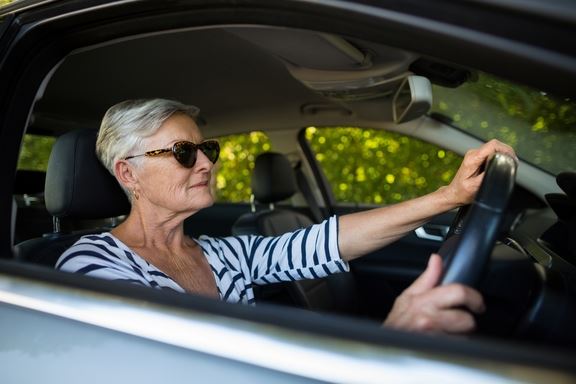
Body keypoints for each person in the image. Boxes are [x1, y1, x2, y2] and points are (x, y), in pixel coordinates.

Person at [56, 98, 516, 334]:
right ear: (127, 173)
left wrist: (448, 196)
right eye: (183, 152)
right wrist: (389, 341)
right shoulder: (91, 266)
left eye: (206, 149)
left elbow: (329, 242)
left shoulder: (223, 254)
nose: (206, 163)